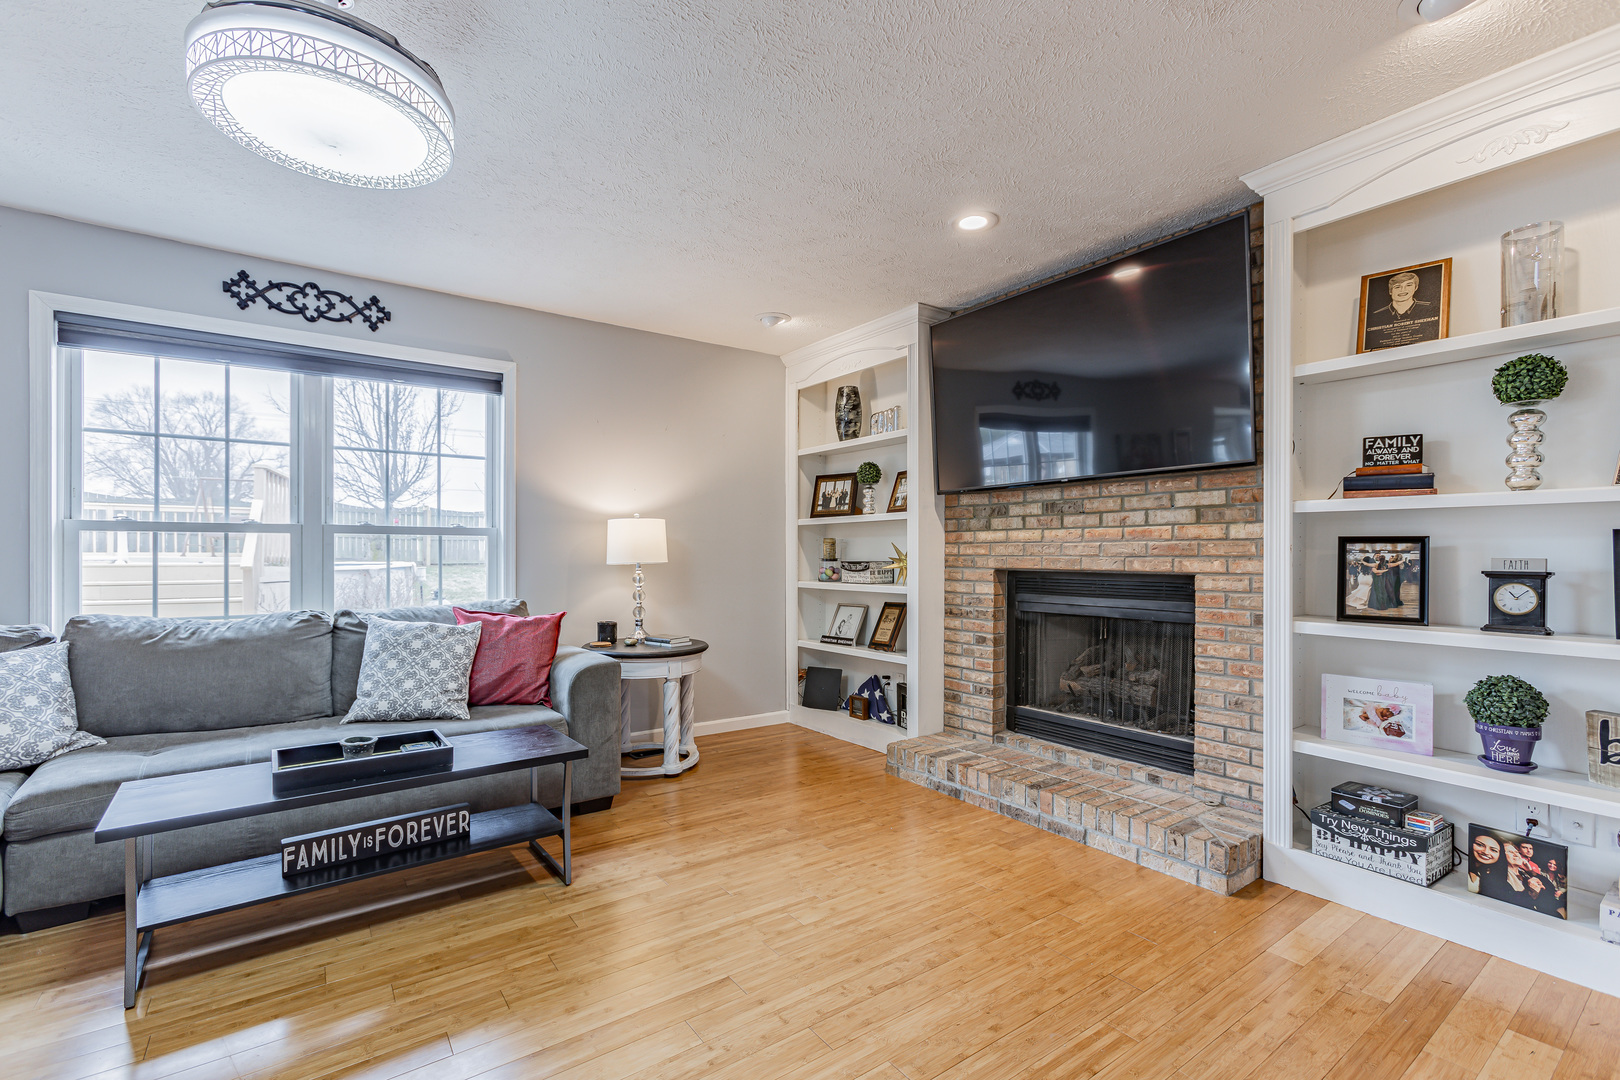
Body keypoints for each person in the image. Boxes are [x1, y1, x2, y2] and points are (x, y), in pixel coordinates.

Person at [1369, 271, 1435, 324]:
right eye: (1397, 286)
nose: (1403, 290)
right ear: (1390, 291)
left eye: (1408, 285)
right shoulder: (1376, 316)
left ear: (1415, 288)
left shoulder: (1430, 308)